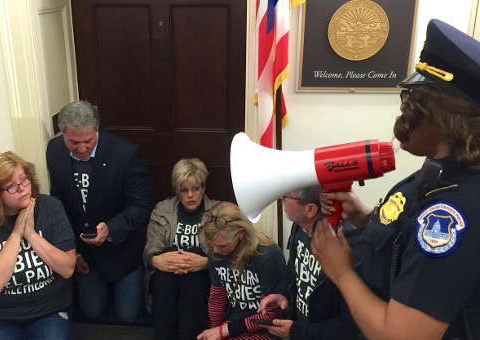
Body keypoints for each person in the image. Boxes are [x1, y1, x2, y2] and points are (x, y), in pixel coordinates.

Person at [310, 19, 480, 340]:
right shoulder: (442, 169)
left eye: (414, 104)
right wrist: (364, 219)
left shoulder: (456, 211)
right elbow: (408, 238)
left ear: (444, 116)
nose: (403, 115)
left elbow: (401, 335)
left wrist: (342, 272)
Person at [46, 100, 154, 323]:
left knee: (128, 315)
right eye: (74, 142)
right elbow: (58, 205)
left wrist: (111, 228)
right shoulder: (54, 151)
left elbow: (141, 205)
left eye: (88, 141)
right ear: (62, 134)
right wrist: (70, 251)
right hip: (84, 254)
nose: (82, 149)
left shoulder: (126, 154)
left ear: (97, 129)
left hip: (121, 250)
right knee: (92, 312)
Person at [0, 151, 76, 340]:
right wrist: (16, 234)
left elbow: (67, 269)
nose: (23, 188)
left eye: (25, 180)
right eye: (12, 187)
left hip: (49, 309)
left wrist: (31, 235)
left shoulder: (50, 207)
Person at [258, 185, 360, 339]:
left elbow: (351, 325)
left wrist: (297, 332)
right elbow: (294, 275)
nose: (281, 199)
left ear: (310, 209)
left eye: (287, 195)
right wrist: (284, 296)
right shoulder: (298, 228)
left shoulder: (345, 244)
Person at [143, 158, 218, 340]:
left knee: (193, 277)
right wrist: (156, 260)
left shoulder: (218, 212)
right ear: (177, 190)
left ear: (204, 187)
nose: (190, 195)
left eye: (196, 189)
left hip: (200, 278)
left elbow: (231, 255)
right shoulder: (162, 210)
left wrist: (206, 262)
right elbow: (149, 250)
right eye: (184, 190)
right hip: (168, 276)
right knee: (164, 276)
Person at [196, 201, 287, 340]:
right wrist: (214, 331)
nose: (215, 251)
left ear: (240, 233)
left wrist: (225, 330)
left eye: (222, 246)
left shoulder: (268, 255)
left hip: (266, 328)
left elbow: (270, 313)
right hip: (234, 322)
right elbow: (217, 299)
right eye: (211, 245)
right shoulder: (216, 251)